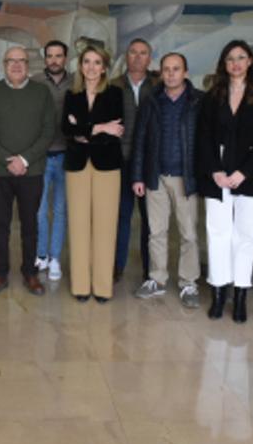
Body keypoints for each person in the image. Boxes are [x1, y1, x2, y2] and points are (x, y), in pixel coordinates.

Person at [196, 40, 253, 323]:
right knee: (218, 234)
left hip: (250, 175)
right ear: (224, 63)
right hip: (216, 174)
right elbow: (203, 137)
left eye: (241, 57)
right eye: (230, 58)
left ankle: (241, 295)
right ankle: (219, 294)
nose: (236, 63)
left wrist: (245, 172)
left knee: (245, 236)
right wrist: (215, 171)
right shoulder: (212, 96)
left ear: (250, 62)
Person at [0, 46, 56, 297]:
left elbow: (48, 131)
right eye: (11, 61)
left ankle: (30, 273)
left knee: (30, 224)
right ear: (4, 64)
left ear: (29, 65)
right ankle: (0, 273)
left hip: (31, 172)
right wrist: (6, 159)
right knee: (0, 224)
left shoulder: (41, 93)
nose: (17, 65)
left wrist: (24, 159)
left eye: (21, 61)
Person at [131, 52, 204, 308]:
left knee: (188, 234)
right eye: (166, 69)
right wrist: (138, 176)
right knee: (156, 232)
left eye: (176, 69)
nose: (171, 74)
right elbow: (139, 141)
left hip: (186, 177)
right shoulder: (151, 101)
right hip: (156, 176)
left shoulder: (198, 101)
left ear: (185, 72)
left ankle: (188, 282)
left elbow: (205, 142)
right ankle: (157, 279)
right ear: (161, 72)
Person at [62, 44, 124, 302]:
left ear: (104, 67)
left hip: (107, 166)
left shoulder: (114, 94)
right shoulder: (71, 96)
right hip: (76, 166)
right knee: (78, 225)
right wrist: (99, 127)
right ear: (80, 66)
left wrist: (84, 130)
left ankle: (102, 287)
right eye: (86, 61)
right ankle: (80, 286)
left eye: (97, 62)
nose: (91, 67)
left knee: (105, 226)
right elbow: (66, 129)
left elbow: (117, 132)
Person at [111, 38, 159, 283]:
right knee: (121, 216)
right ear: (126, 57)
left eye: (143, 53)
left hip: (151, 163)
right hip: (123, 161)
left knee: (151, 220)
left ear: (150, 58)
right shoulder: (113, 86)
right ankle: (116, 267)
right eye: (133, 53)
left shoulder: (159, 85)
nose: (138, 57)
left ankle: (150, 270)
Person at [32, 39, 71, 282]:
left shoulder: (76, 82)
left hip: (67, 155)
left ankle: (55, 257)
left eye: (58, 56)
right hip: (41, 156)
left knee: (59, 210)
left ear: (65, 58)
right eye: (50, 56)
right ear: (45, 58)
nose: (54, 60)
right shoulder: (35, 82)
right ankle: (41, 254)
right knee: (38, 210)